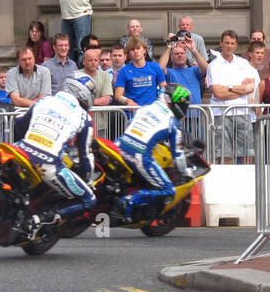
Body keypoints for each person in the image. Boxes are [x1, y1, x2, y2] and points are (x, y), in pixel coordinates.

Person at [11, 77, 97, 225]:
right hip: (48, 164)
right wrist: (87, 178)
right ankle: (38, 220)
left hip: (19, 151)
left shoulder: (43, 101)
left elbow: (20, 124)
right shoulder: (84, 118)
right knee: (89, 200)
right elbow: (85, 155)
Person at [115, 85, 193, 221]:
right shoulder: (172, 122)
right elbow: (178, 154)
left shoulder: (144, 108)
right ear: (174, 102)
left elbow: (129, 126)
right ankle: (129, 200)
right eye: (183, 105)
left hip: (118, 146)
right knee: (169, 190)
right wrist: (184, 173)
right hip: (139, 155)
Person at [206, 30, 258, 163]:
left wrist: (229, 88)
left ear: (236, 45)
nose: (229, 46)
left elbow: (251, 87)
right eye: (227, 43)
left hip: (243, 112)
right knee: (223, 154)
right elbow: (218, 93)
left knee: (246, 154)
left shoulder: (243, 63)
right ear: (221, 43)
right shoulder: (213, 65)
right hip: (221, 114)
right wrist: (241, 89)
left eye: (232, 43)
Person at [113, 36, 165, 109]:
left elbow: (163, 87)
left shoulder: (155, 67)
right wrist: (128, 101)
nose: (135, 51)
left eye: (138, 48)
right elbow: (118, 96)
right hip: (132, 113)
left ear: (144, 50)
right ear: (129, 53)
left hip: (151, 113)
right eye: (132, 49)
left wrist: (160, 102)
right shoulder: (124, 71)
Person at [159, 39, 206, 103]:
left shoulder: (194, 70)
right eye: (176, 54)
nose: (180, 55)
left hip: (196, 111)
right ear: (171, 58)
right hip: (178, 111)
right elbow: (160, 68)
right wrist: (169, 46)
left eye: (182, 53)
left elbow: (206, 68)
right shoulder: (169, 72)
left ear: (186, 57)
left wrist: (193, 50)